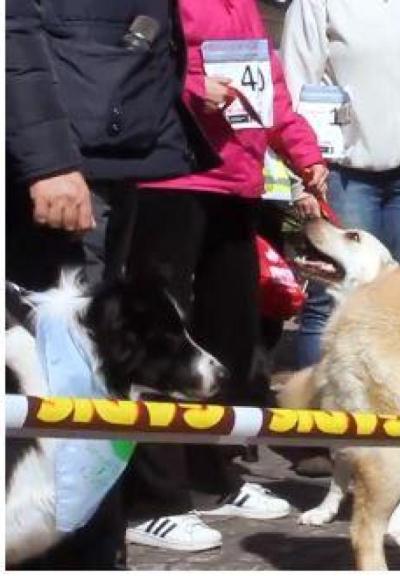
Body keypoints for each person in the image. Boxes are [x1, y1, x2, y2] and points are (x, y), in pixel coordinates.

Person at [5, 0, 217, 568]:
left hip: (112, 151)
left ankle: (91, 549)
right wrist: (48, 161)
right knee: (59, 395)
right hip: (63, 160)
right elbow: (11, 24)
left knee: (91, 390)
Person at [122, 0, 328, 552]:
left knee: (232, 337)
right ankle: (152, 499)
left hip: (239, 183)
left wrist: (305, 153)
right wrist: (192, 86)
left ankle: (214, 473)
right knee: (161, 338)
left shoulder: (247, 10)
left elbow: (271, 90)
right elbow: (134, 58)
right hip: (172, 176)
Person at [281, 0, 400, 368]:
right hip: (342, 175)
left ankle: (389, 416)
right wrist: (300, 180)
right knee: (329, 304)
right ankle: (316, 419)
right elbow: (294, 84)